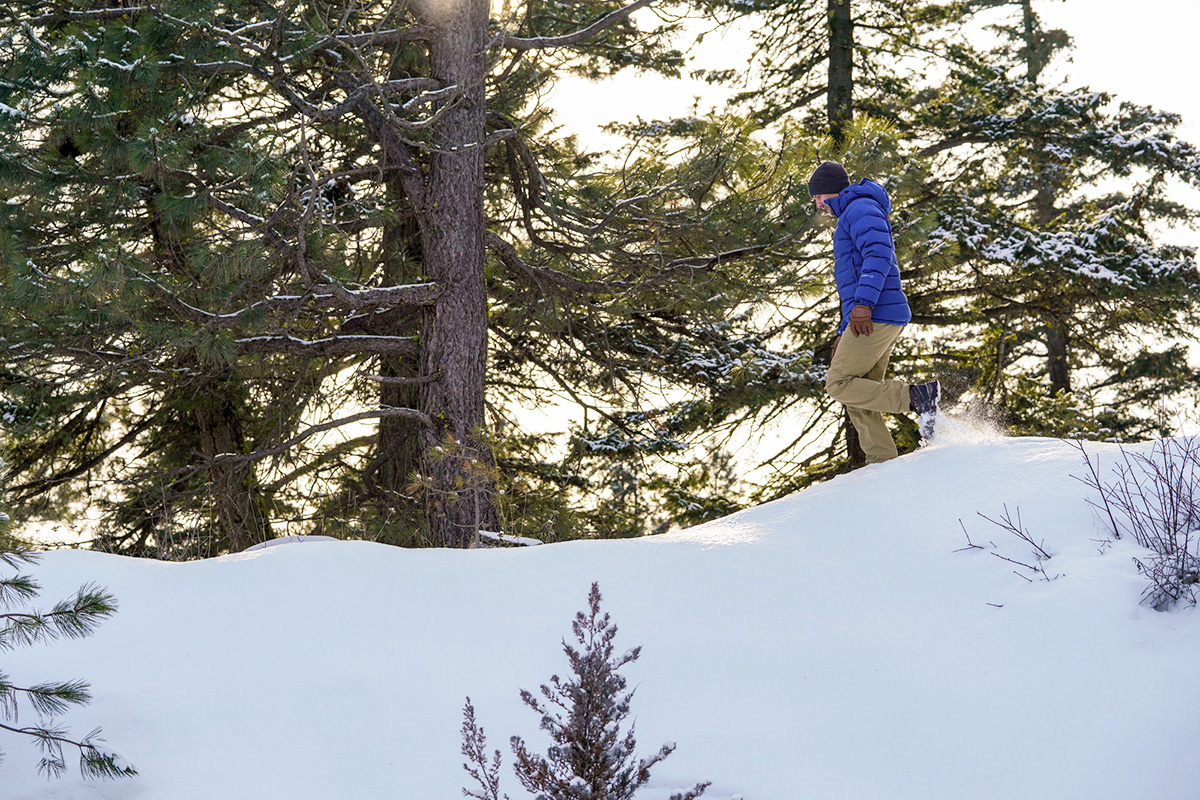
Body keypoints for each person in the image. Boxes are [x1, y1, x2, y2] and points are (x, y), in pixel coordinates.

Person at [808, 160, 939, 463]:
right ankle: (882, 463)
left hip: (876, 313)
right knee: (859, 391)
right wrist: (844, 331)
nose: (817, 204)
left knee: (839, 384)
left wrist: (864, 305)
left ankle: (917, 397)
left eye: (818, 197)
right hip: (873, 313)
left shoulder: (859, 208)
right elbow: (853, 278)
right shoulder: (853, 212)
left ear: (831, 191)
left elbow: (878, 255)